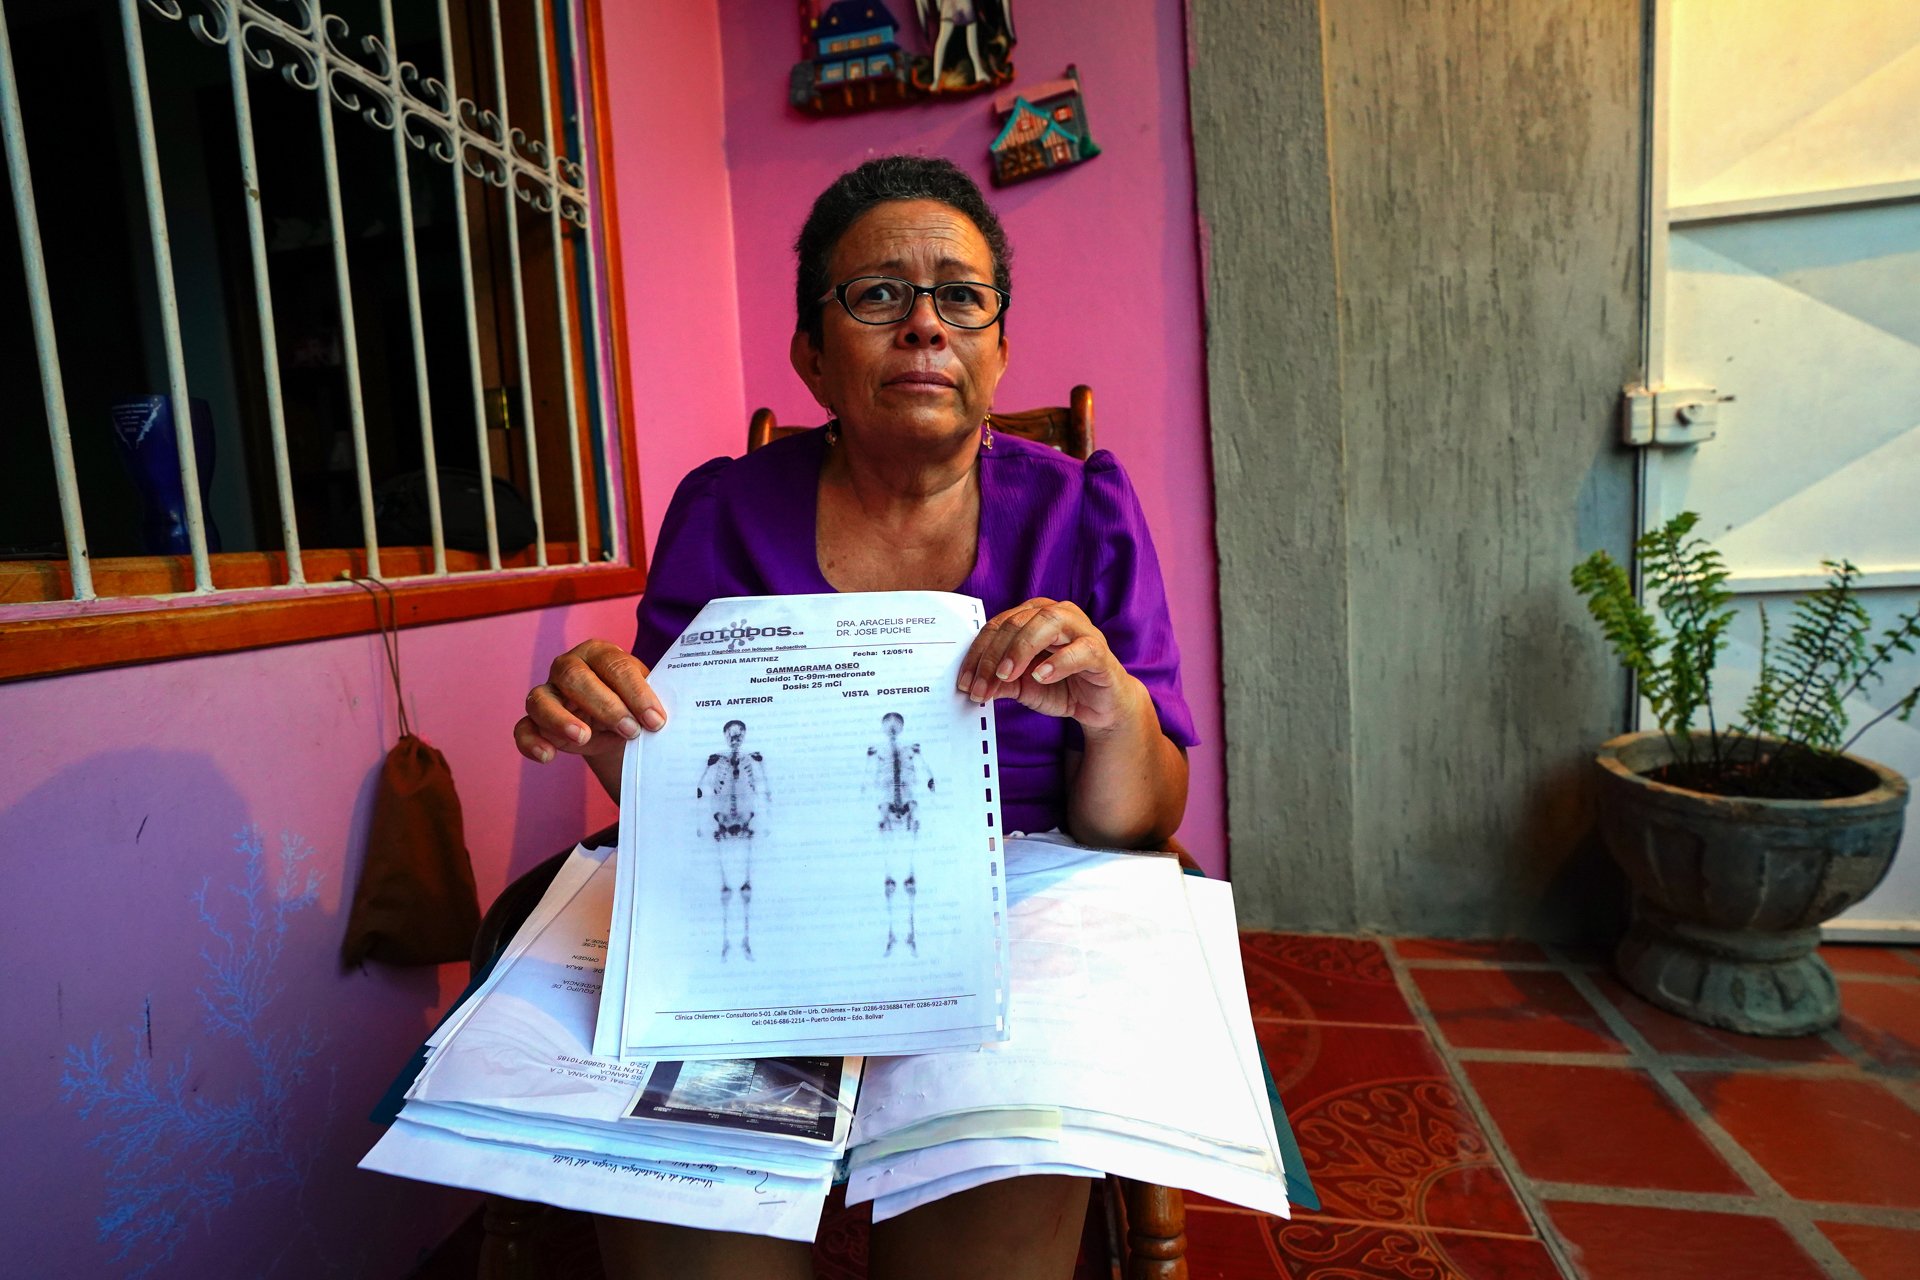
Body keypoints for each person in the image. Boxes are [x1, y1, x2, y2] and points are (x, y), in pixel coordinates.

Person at [513, 154, 1195, 1280]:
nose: (925, 324)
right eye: (878, 294)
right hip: (761, 920)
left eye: (961, 296)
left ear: (999, 346)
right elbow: (675, 793)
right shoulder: (726, 510)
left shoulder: (1086, 512)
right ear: (811, 354)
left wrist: (1112, 708)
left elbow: (1141, 822)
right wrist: (607, 735)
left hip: (1011, 924)